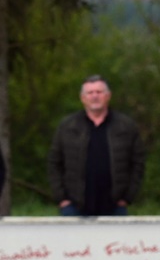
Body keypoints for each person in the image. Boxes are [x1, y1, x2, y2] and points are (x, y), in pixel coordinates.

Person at [49, 75, 146, 216]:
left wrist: (127, 197)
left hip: (115, 207)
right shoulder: (67, 126)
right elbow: (54, 163)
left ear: (108, 96)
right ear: (83, 98)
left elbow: (138, 163)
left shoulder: (126, 126)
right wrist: (62, 198)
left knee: (116, 239)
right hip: (74, 208)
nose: (95, 96)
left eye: (99, 92)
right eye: (90, 92)